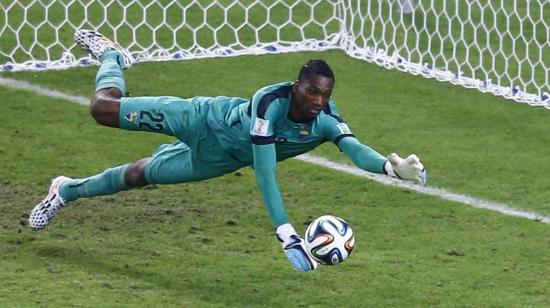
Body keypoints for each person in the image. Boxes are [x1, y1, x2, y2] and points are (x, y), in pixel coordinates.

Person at [29, 30, 427, 272]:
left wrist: (389, 170)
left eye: (326, 94)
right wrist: (287, 233)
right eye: (312, 91)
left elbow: (354, 149)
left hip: (216, 160)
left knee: (139, 175)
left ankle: (65, 190)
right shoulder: (268, 103)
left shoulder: (324, 119)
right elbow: (265, 171)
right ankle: (112, 57)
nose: (319, 100)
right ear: (296, 86)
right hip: (201, 118)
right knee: (102, 109)